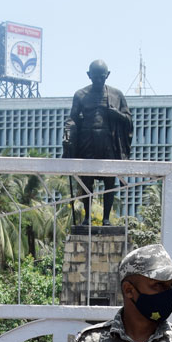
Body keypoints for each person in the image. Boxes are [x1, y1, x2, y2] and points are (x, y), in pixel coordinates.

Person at [62, 59, 132, 225]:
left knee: (110, 181)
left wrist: (117, 114)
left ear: (107, 75)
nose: (99, 80)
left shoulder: (117, 95)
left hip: (109, 141)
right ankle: (87, 218)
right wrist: (68, 135)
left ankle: (106, 219)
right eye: (95, 76)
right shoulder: (80, 95)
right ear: (89, 75)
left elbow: (128, 119)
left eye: (102, 76)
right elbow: (72, 118)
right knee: (87, 181)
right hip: (87, 141)